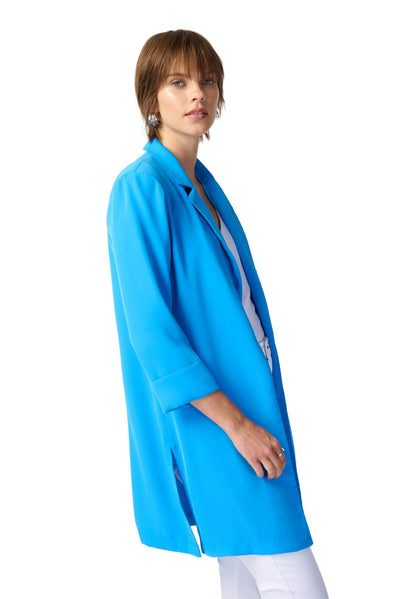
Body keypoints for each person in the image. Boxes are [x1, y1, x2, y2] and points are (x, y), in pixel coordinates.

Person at [106, 29, 329, 599]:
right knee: (291, 575)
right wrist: (237, 426)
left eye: (206, 80)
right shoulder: (141, 188)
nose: (197, 94)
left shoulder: (202, 186)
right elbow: (151, 332)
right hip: (218, 423)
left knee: (246, 578)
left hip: (248, 408)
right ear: (150, 98)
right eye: (178, 82)